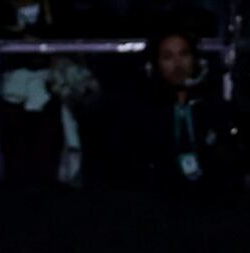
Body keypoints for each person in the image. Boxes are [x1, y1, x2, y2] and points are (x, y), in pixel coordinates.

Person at [0, 0, 96, 196]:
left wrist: (42, 47)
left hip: (49, 85)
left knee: (48, 142)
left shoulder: (56, 5)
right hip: (10, 88)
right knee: (15, 146)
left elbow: (67, 39)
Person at [96, 25, 234, 193]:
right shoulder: (140, 110)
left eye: (184, 54)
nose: (178, 64)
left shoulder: (211, 106)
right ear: (156, 64)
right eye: (168, 57)